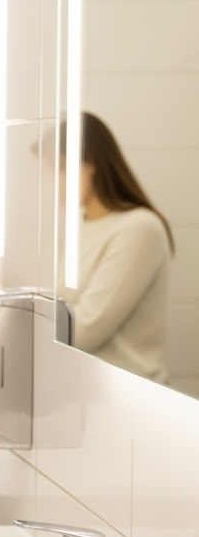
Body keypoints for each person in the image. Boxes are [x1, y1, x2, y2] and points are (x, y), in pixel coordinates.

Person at [64, 112, 174, 381]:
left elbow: (84, 330)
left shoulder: (139, 228)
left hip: (131, 400)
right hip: (85, 390)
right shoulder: (75, 225)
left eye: (59, 167)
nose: (50, 181)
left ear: (89, 163)